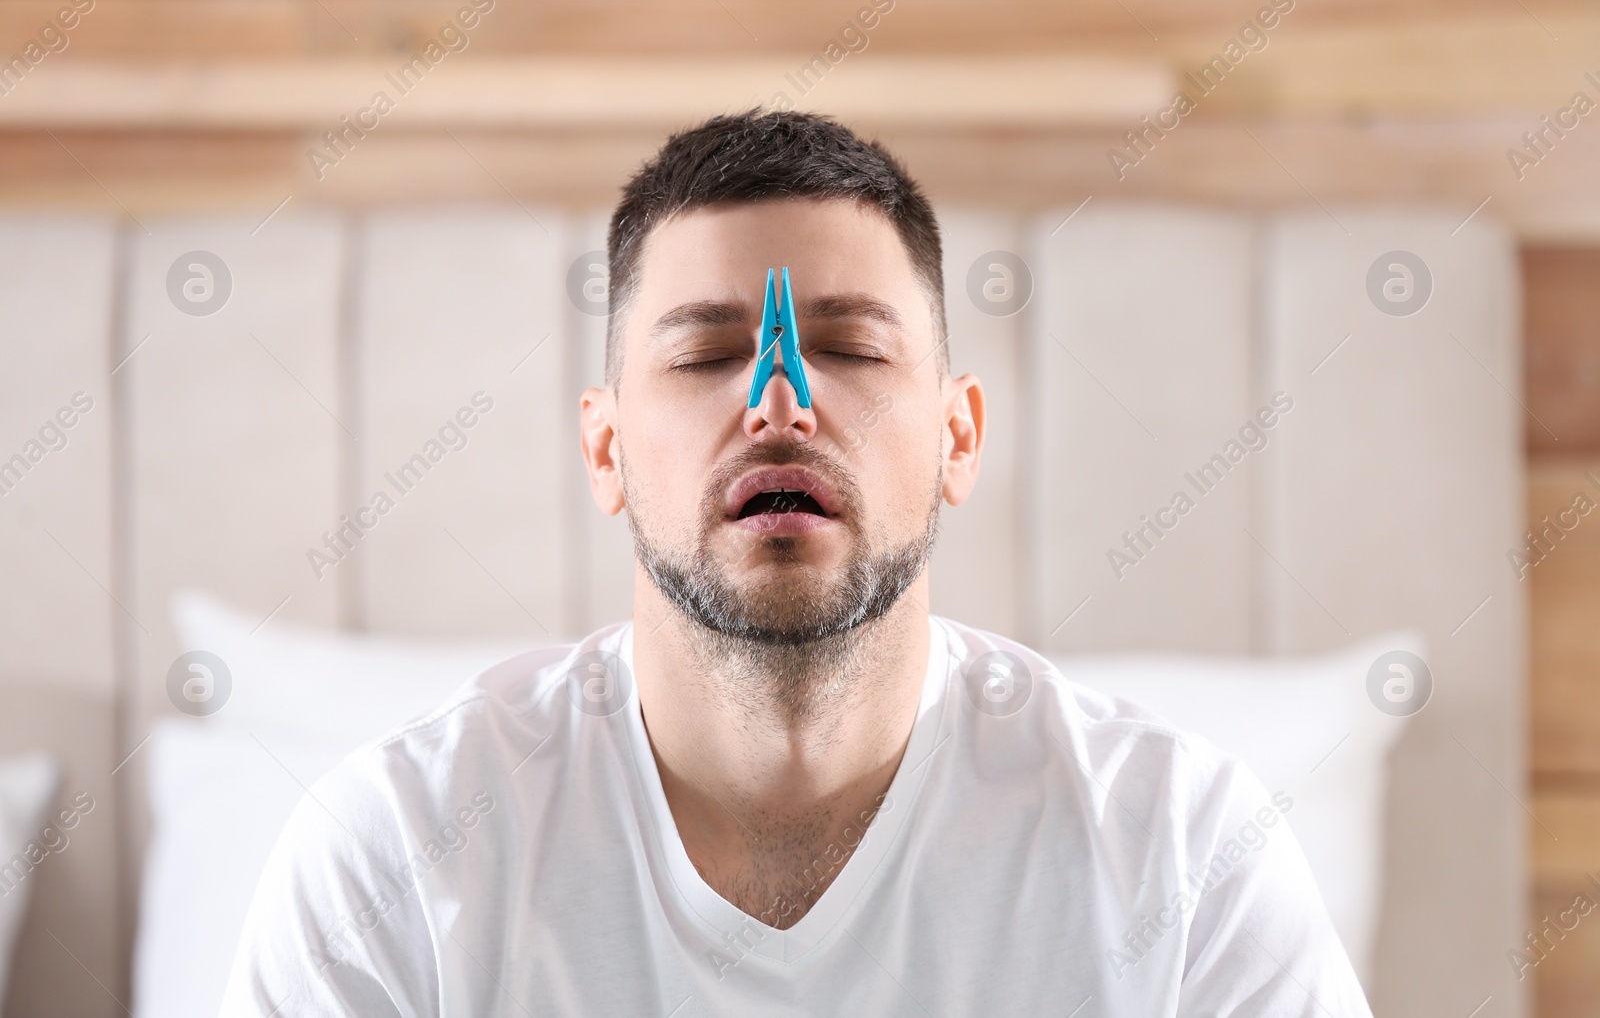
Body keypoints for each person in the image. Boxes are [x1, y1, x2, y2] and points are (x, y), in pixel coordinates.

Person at [221, 108, 1372, 1016]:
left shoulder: (1182, 850)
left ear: (958, 437)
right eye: (708, 351)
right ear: (605, 445)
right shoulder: (394, 855)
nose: (779, 401)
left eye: (851, 347)